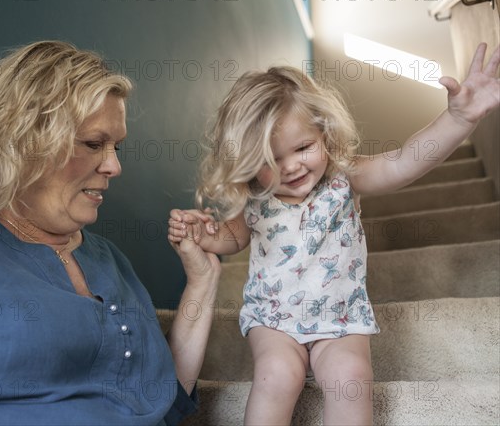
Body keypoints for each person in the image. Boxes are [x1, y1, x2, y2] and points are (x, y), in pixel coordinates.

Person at [168, 43, 500, 425]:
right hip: (275, 320)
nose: (290, 166)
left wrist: (459, 118)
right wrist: (203, 235)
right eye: (270, 160)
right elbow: (234, 238)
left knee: (351, 378)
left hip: (341, 318)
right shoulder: (257, 198)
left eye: (303, 147)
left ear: (323, 133)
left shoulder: (344, 177)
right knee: (277, 375)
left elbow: (404, 162)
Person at [0, 40, 221, 426]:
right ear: (23, 141)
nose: (114, 166)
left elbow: (160, 403)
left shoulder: (109, 259)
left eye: (117, 146)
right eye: (93, 143)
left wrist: (202, 281)